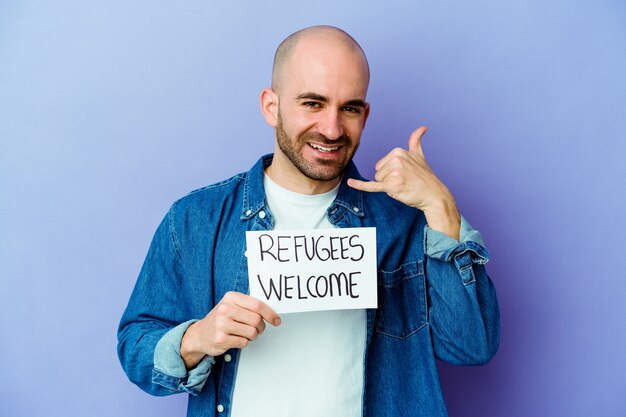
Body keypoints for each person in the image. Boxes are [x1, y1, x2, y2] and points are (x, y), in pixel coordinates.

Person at [117, 25, 500, 417]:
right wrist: (197, 338)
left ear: (364, 115)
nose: (331, 129)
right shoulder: (195, 219)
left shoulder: (406, 224)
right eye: (313, 104)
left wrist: (440, 206)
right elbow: (135, 348)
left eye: (349, 107)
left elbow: (471, 346)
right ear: (271, 106)